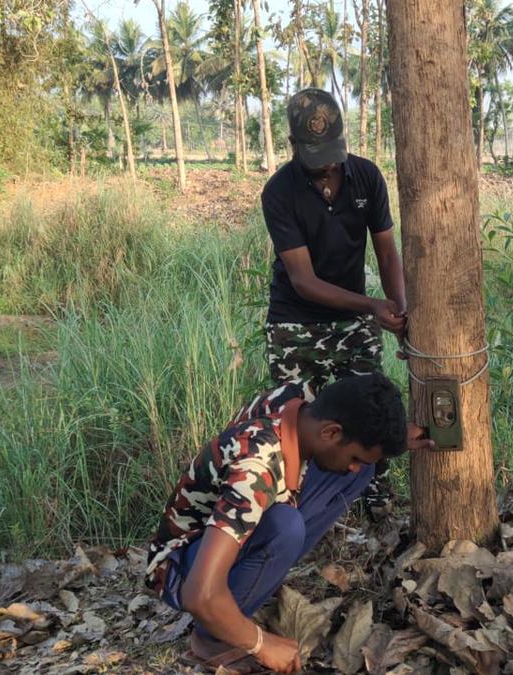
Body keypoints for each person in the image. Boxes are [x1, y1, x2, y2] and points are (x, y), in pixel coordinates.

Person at [144, 374, 413, 673]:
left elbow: (354, 442)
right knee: (285, 527)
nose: (352, 463)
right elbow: (200, 594)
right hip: (180, 569)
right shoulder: (255, 470)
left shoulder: (297, 405)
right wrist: (260, 643)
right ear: (331, 432)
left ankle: (251, 582)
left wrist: (398, 439)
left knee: (359, 474)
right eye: (353, 455)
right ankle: (212, 638)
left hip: (228, 530)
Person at [260, 87, 414, 513]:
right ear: (293, 145)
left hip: (353, 324)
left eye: (331, 150)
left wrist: (398, 311)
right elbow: (303, 280)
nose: (327, 163)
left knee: (371, 415)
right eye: (314, 153)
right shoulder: (279, 193)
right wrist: (371, 306)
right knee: (298, 425)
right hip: (295, 325)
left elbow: (386, 251)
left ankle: (375, 508)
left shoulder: (366, 177)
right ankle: (301, 514)